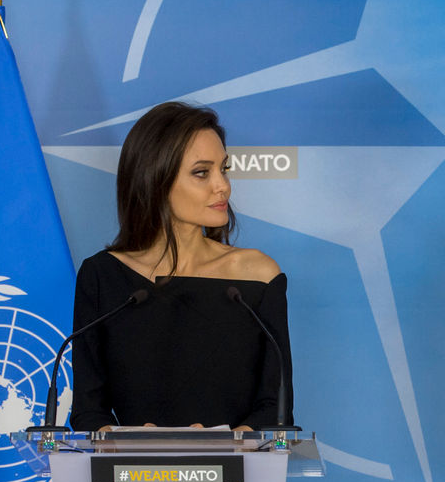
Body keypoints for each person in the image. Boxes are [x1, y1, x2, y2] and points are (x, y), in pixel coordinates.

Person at [69, 101, 293, 431]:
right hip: (134, 478)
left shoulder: (258, 277)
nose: (223, 186)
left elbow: (276, 410)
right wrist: (133, 445)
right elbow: (88, 411)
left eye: (224, 169)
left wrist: (217, 451)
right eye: (202, 173)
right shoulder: (102, 276)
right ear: (154, 179)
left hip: (236, 477)